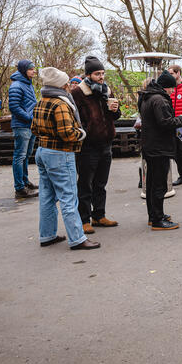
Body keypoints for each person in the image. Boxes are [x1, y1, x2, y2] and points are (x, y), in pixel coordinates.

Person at [31, 67, 100, 251]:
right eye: (66, 82)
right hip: (60, 154)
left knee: (47, 196)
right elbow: (67, 133)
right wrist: (82, 133)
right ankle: (77, 238)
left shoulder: (41, 102)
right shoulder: (60, 104)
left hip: (43, 151)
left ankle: (47, 235)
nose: (69, 85)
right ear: (60, 85)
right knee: (69, 197)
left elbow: (34, 129)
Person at [71, 56, 121, 234]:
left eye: (102, 73)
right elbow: (74, 119)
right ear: (88, 75)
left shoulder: (106, 90)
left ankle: (99, 215)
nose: (101, 77)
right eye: (97, 73)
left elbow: (115, 116)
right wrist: (87, 131)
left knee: (101, 182)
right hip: (88, 145)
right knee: (85, 183)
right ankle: (84, 219)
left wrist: (115, 110)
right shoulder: (78, 92)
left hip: (106, 142)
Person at [138, 71, 182, 231]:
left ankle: (154, 215)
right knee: (159, 185)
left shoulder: (148, 97)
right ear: (166, 87)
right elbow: (165, 122)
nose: (173, 91)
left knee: (152, 183)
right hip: (159, 148)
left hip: (150, 146)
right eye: (172, 88)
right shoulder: (160, 100)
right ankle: (158, 220)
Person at [8, 59, 39, 199]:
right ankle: (20, 188)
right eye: (31, 69)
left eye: (34, 68)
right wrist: (29, 118)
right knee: (19, 156)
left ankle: (25, 182)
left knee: (26, 156)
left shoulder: (28, 84)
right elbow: (14, 107)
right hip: (22, 126)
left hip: (30, 125)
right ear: (24, 70)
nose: (34, 71)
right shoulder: (17, 86)